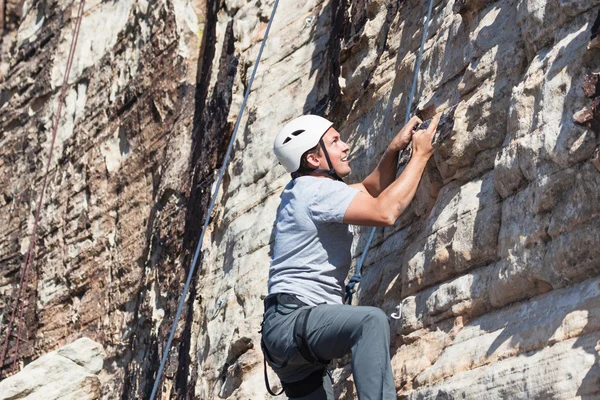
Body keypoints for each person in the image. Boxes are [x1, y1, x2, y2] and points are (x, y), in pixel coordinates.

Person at [261, 113, 441, 399]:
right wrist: (420, 155)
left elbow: (371, 190)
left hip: (285, 337)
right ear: (313, 160)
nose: (345, 146)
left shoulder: (303, 190)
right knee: (370, 321)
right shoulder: (316, 191)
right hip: (295, 322)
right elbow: (385, 211)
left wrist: (394, 149)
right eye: (335, 142)